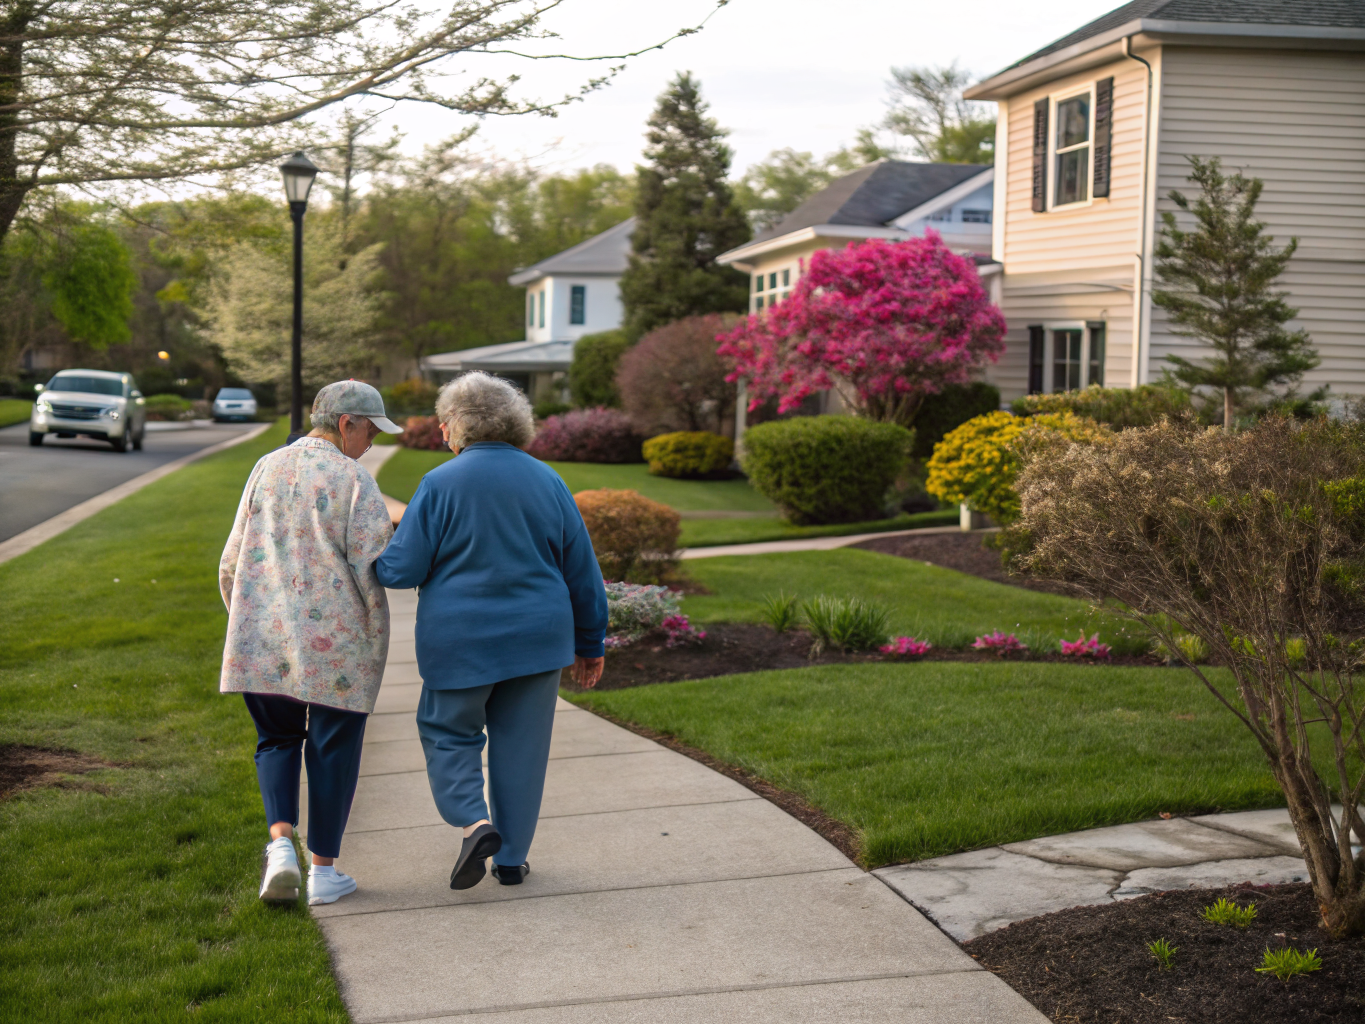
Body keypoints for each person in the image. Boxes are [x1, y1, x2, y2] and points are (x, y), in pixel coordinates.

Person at [375, 372, 608, 890]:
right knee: (522, 749)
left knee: (448, 732)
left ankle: (475, 823)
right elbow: (582, 572)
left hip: (460, 640)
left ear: (453, 428)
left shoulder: (439, 484)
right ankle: (511, 861)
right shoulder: (548, 480)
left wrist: (389, 531)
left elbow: (400, 571)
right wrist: (590, 643)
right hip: (538, 638)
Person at [219, 380, 403, 905]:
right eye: (369, 430)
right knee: (333, 750)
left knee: (276, 740)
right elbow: (376, 563)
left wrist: (245, 618)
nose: (370, 442)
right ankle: (322, 872)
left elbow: (233, 558)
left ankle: (281, 845)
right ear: (346, 423)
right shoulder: (352, 479)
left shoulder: (266, 468)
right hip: (338, 647)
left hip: (265, 638)